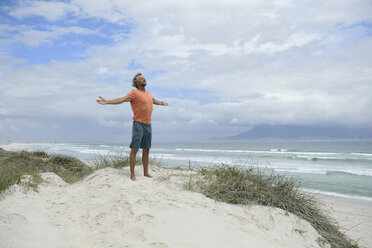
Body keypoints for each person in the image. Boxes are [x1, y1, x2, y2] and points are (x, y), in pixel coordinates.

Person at [96, 73, 168, 181]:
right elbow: (121, 99)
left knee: (147, 149)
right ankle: (132, 174)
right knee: (135, 149)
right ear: (136, 83)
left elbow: (154, 101)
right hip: (138, 124)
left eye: (144, 78)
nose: (144, 79)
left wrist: (162, 103)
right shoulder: (134, 93)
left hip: (148, 125)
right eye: (141, 79)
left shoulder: (148, 94)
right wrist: (107, 102)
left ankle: (146, 172)